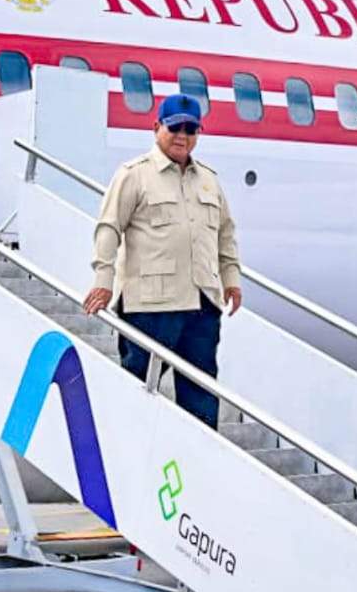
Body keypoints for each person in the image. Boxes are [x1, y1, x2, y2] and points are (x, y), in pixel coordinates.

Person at [83, 94, 242, 429]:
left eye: (190, 129)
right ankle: (127, 448)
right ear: (156, 127)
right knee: (138, 387)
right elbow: (109, 228)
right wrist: (103, 282)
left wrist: (231, 280)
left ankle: (198, 453)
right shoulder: (134, 175)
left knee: (201, 392)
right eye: (174, 127)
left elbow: (225, 234)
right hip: (150, 306)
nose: (182, 135)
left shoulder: (209, 180)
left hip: (202, 303)